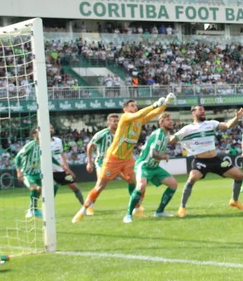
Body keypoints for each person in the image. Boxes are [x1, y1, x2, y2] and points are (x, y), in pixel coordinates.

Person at [72, 93, 175, 223]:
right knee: (100, 185)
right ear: (125, 109)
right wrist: (154, 104)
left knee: (135, 182)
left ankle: (136, 209)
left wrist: (166, 103)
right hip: (113, 158)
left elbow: (153, 114)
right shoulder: (126, 117)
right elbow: (140, 114)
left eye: (135, 105)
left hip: (127, 158)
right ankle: (82, 210)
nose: (135, 107)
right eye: (132, 105)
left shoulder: (138, 121)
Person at [169, 105, 243, 218]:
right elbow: (172, 140)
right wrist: (163, 135)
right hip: (201, 161)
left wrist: (236, 118)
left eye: (204, 110)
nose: (203, 112)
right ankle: (182, 207)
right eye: (200, 110)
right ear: (193, 113)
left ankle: (234, 201)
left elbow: (228, 125)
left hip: (215, 160)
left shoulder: (211, 124)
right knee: (192, 178)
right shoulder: (188, 129)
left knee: (239, 175)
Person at [124, 112, 178, 223]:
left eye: (171, 120)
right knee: (141, 186)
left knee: (173, 184)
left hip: (154, 167)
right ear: (161, 122)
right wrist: (165, 156)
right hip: (144, 165)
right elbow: (154, 154)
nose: (171, 121)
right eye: (168, 120)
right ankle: (128, 215)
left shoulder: (166, 134)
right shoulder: (158, 134)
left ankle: (160, 211)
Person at [85, 113, 119, 215]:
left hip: (116, 163)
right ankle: (89, 205)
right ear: (108, 122)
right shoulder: (102, 133)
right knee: (100, 185)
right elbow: (90, 145)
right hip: (102, 162)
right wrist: (89, 162)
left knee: (132, 181)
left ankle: (136, 207)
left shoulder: (120, 133)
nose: (116, 123)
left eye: (117, 121)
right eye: (114, 121)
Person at [50, 125, 85, 207]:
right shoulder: (42, 142)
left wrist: (67, 168)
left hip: (61, 169)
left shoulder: (58, 140)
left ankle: (85, 206)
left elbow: (62, 154)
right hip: (50, 171)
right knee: (52, 190)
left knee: (74, 186)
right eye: (49, 128)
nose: (51, 129)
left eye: (52, 127)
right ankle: (48, 210)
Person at [15, 127, 43, 219]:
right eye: (38, 132)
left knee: (40, 190)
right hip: (27, 173)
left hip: (38, 173)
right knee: (34, 188)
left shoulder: (44, 145)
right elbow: (17, 157)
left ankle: (33, 209)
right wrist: (19, 172)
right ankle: (32, 210)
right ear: (34, 135)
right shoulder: (30, 145)